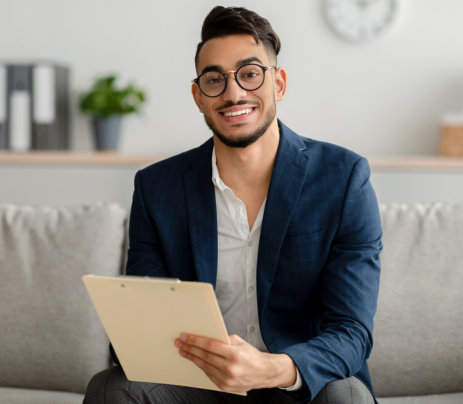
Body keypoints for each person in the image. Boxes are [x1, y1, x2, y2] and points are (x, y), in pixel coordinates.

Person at [84, 6, 382, 404]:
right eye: (214, 79)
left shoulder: (344, 178)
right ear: (198, 96)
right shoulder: (158, 187)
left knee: (346, 395)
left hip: (298, 381)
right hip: (197, 384)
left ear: (279, 83)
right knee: (110, 388)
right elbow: (137, 333)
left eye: (250, 73)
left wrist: (272, 368)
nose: (234, 93)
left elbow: (351, 332)